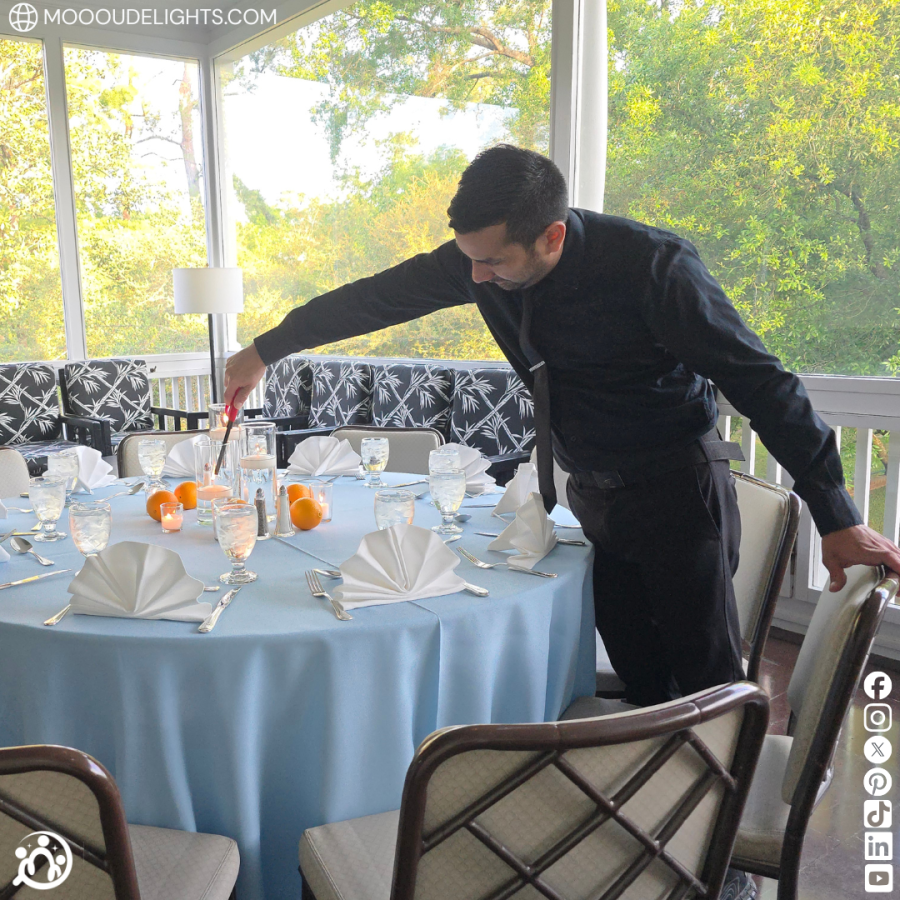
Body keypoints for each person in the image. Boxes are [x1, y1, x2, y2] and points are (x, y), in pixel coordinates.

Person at [226, 143, 900, 705]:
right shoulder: (477, 263)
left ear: (551, 235)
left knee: (705, 687)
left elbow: (762, 382)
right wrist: (264, 350)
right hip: (593, 501)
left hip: (678, 495)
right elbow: (372, 300)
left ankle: (723, 827)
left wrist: (835, 513)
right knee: (641, 679)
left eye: (494, 262)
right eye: (469, 259)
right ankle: (653, 805)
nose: (476, 277)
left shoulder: (652, 266)